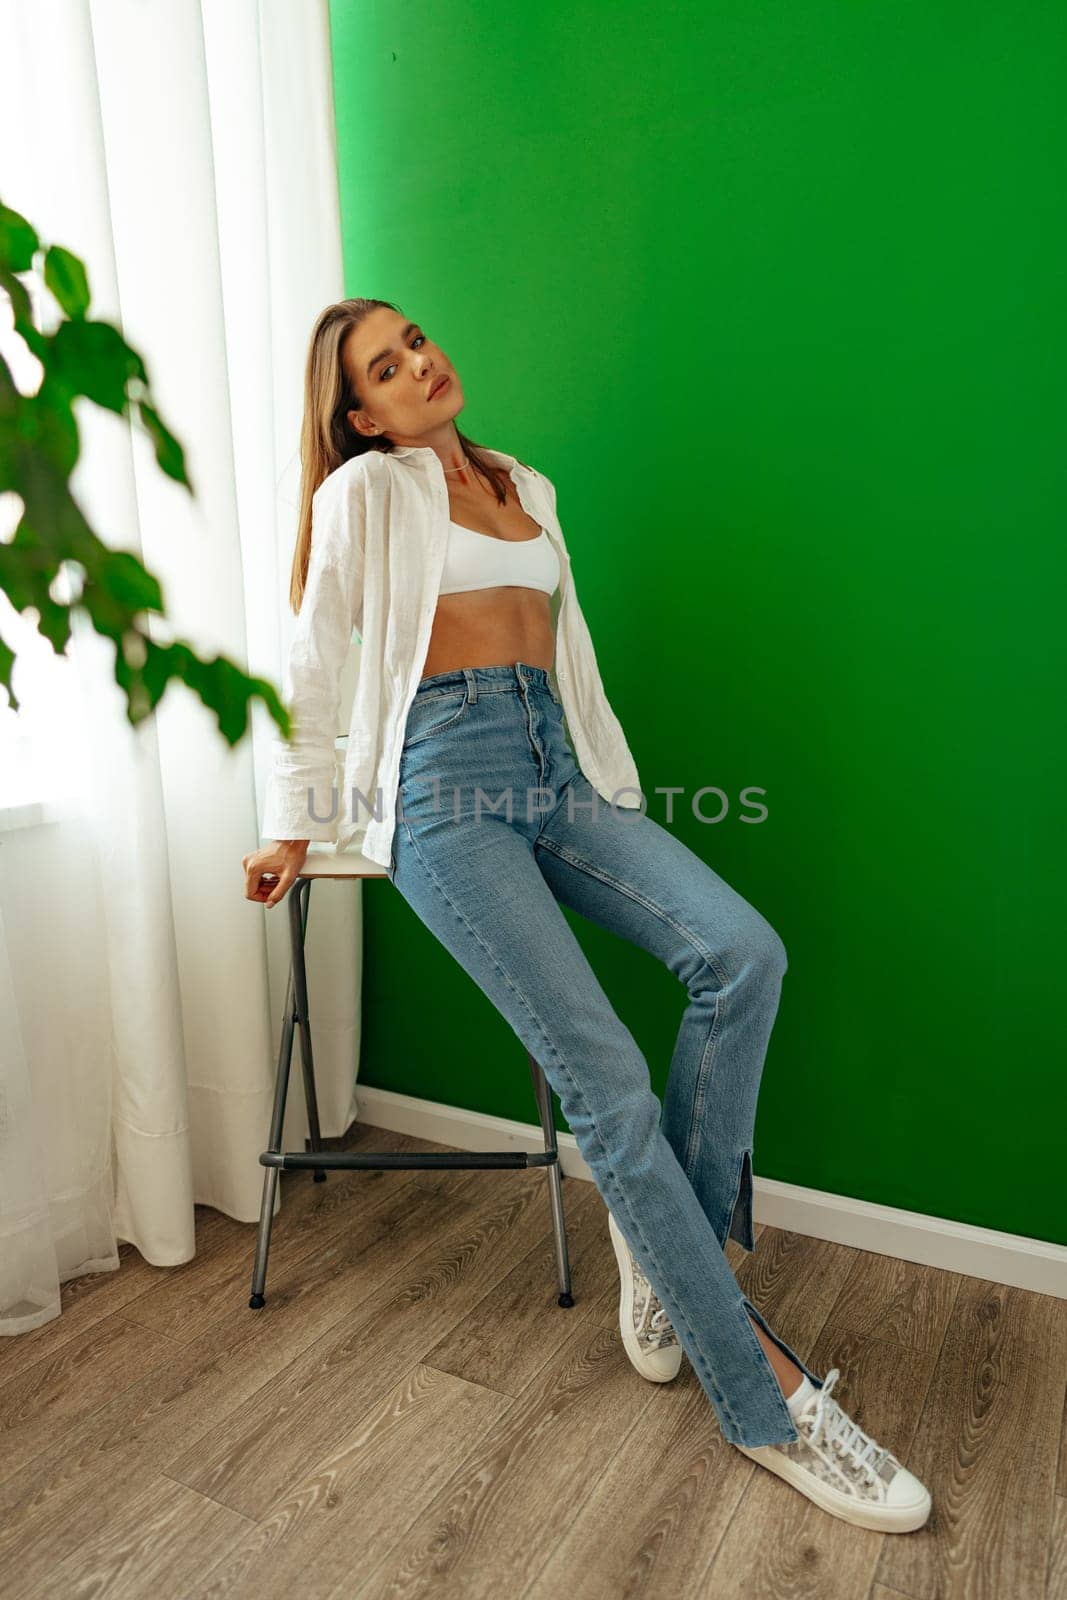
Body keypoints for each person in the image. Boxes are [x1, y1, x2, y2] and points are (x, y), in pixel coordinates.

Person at [242, 300, 932, 1533]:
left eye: (416, 339)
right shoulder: (365, 496)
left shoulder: (528, 487)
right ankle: (766, 1403)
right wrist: (295, 821)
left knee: (739, 953)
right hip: (444, 788)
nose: (419, 364)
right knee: (606, 1084)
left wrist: (598, 784)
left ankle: (663, 1248)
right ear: (362, 415)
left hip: (552, 768)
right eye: (385, 368)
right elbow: (316, 652)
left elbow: (568, 663)